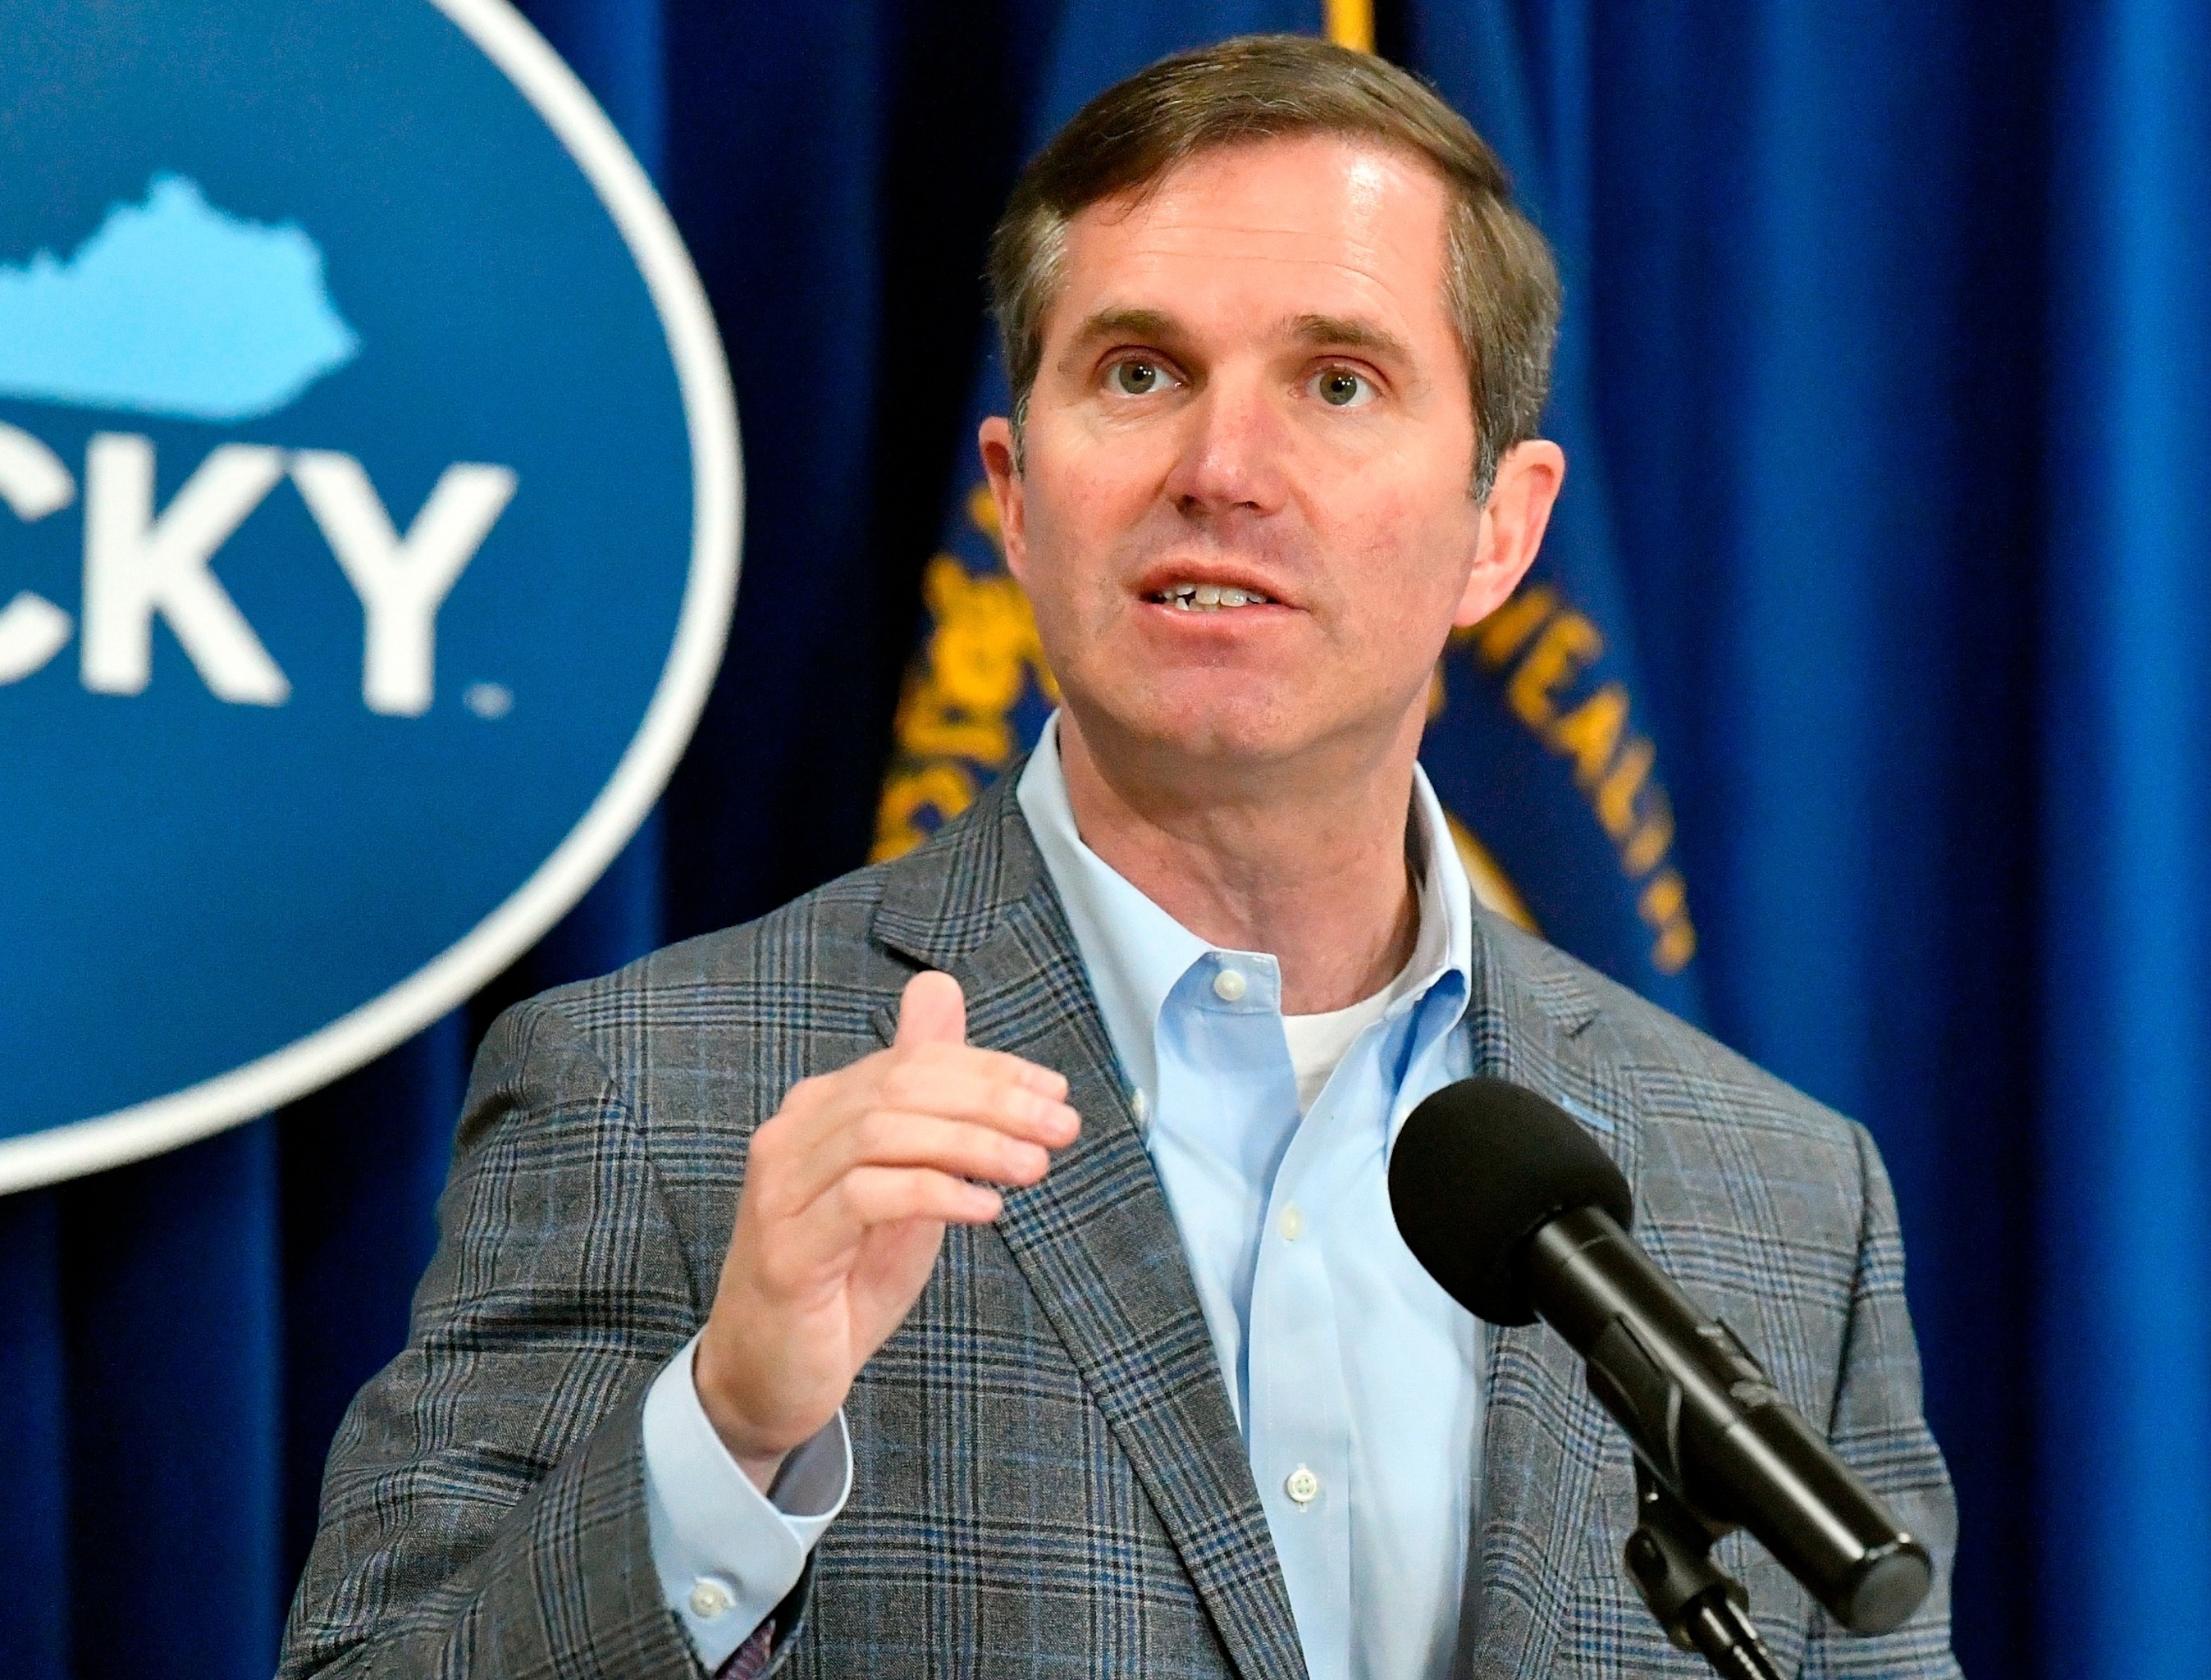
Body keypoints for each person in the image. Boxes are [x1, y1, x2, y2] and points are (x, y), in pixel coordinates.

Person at [281, 34, 1957, 1680]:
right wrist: (727, 1435)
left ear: (1501, 526)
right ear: (1013, 497)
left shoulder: (1781, 1202)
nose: (1221, 472)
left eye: (1338, 383)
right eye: (1139, 373)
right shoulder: (662, 1096)